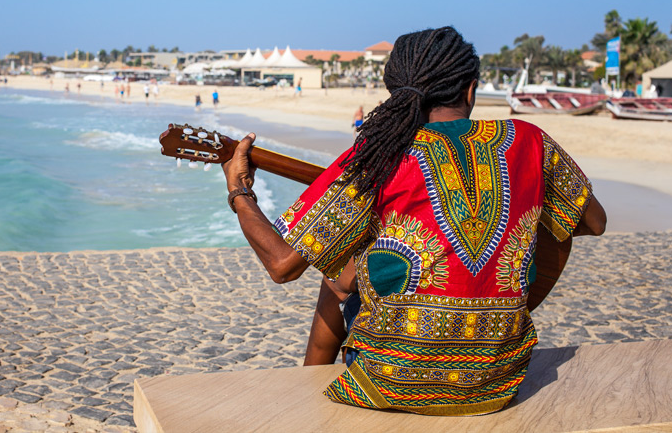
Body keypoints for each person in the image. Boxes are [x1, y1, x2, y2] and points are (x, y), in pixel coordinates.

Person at [221, 27, 606, 416]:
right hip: (497, 383)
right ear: (470, 90)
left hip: (387, 384)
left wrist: (239, 191)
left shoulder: (379, 154)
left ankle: (306, 388)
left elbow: (283, 264)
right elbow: (594, 222)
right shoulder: (529, 140)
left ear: (396, 93)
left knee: (337, 276)